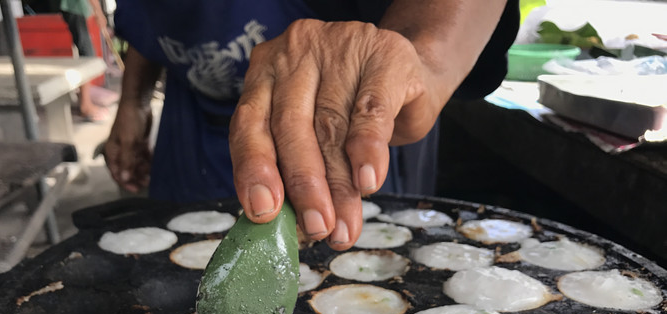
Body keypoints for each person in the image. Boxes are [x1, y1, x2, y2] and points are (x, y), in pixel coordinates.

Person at [104, 0, 519, 249]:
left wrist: (419, 56)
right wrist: (133, 102)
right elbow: (148, 17)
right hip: (193, 119)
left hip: (347, 120)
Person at [60, 0, 110, 121]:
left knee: (86, 54)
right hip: (74, 8)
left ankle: (84, 102)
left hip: (74, 8)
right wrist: (99, 12)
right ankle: (85, 106)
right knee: (87, 56)